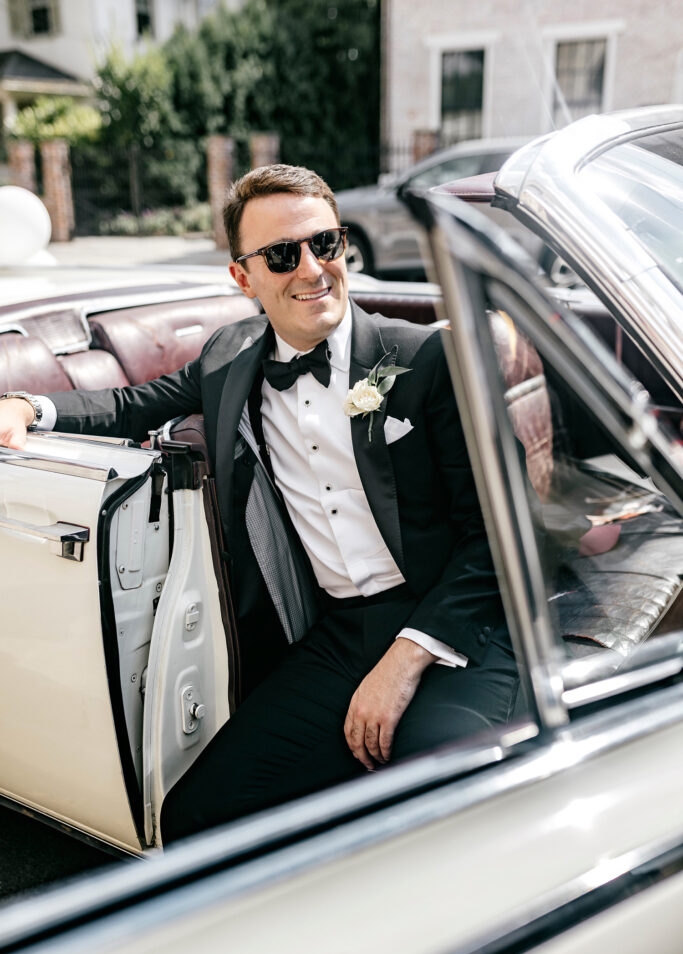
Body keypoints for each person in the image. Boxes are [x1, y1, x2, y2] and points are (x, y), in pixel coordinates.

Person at [0, 164, 519, 842]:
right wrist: (27, 405)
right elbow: (132, 404)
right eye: (281, 255)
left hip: (456, 628)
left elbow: (497, 538)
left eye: (325, 244)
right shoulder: (228, 359)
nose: (311, 269)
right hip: (337, 637)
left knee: (440, 807)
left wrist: (403, 660)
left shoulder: (424, 359)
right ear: (242, 277)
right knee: (196, 817)